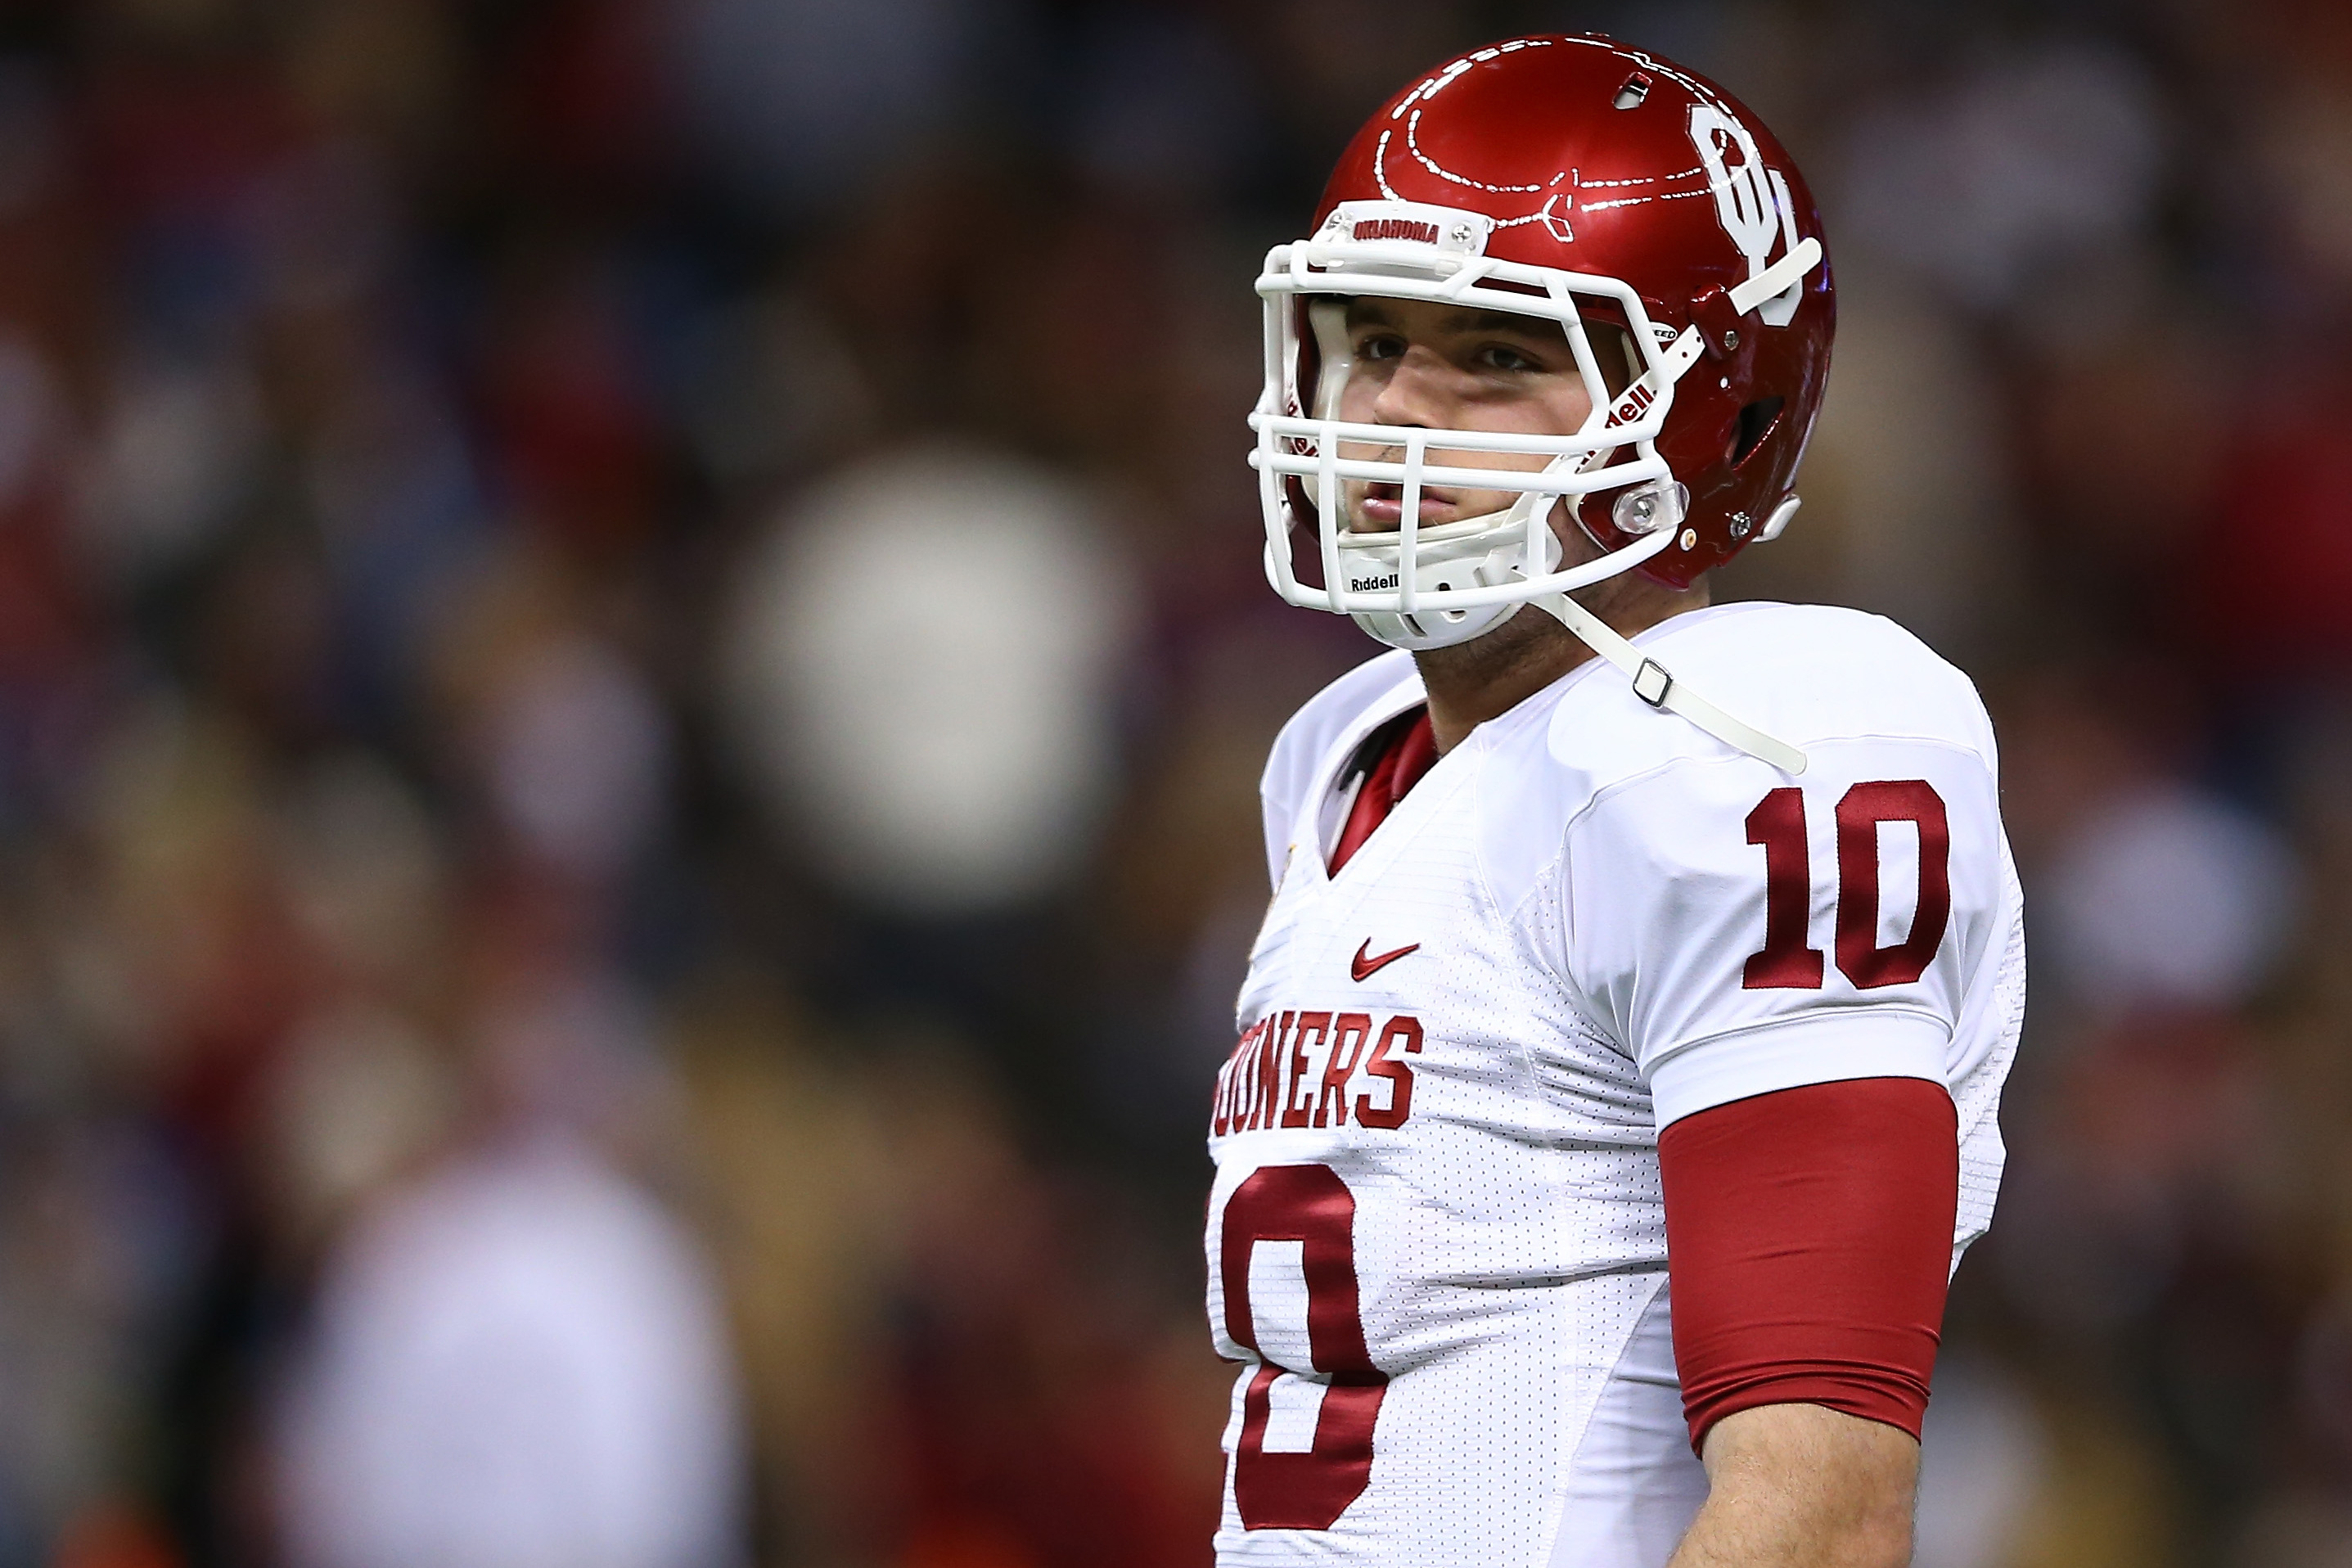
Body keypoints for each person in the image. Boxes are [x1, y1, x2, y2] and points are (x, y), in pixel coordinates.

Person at [1205, 33, 2022, 1568]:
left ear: (1712, 410)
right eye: (1372, 342)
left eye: (1499, 361)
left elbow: (1823, 1513)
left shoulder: (1751, 753)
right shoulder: (1338, 756)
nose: (1396, 413)